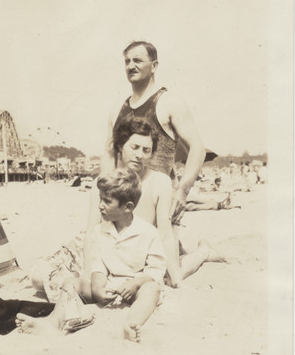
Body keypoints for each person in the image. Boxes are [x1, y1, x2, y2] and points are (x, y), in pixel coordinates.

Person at [16, 168, 166, 343]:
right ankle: (54, 323)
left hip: (137, 288)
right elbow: (98, 266)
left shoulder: (148, 232)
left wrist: (135, 283)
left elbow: (156, 270)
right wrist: (98, 289)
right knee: (71, 282)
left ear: (128, 207)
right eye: (100, 199)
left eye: (107, 201)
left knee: (152, 290)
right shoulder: (100, 231)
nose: (100, 205)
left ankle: (132, 324)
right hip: (110, 287)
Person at [84, 116, 224, 288]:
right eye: (134, 147)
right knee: (44, 277)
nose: (139, 155)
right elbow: (91, 232)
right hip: (105, 255)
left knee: (171, 277)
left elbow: (165, 234)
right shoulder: (103, 182)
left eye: (146, 150)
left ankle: (204, 252)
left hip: (140, 254)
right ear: (121, 146)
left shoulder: (159, 181)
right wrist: (87, 275)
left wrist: (177, 280)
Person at [101, 41, 206, 227]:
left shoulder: (170, 102)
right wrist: (105, 193)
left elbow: (197, 148)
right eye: (127, 61)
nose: (131, 66)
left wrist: (182, 191)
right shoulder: (117, 108)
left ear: (154, 66)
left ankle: (202, 252)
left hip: (159, 197)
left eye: (138, 61)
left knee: (160, 252)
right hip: (124, 199)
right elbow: (109, 155)